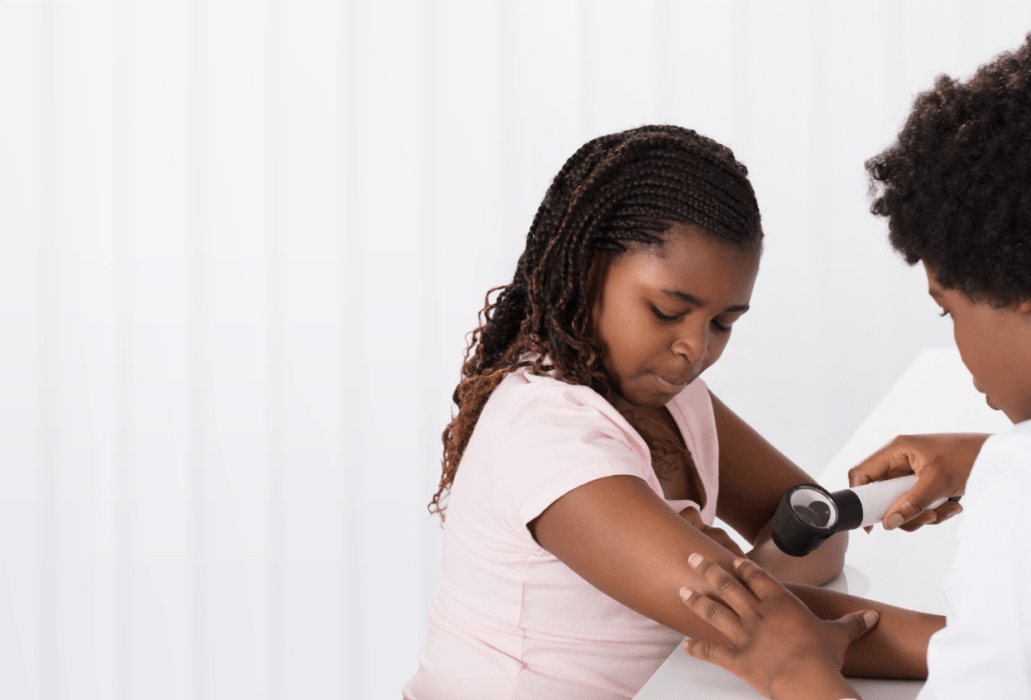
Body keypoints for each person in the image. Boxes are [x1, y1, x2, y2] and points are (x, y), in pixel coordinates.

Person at [677, 25, 1031, 700]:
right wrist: (989, 455)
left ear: (1011, 286)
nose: (959, 346)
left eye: (947, 309)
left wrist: (794, 669)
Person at [402, 125, 953, 700]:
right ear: (588, 270)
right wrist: (755, 596)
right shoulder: (547, 432)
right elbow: (760, 623)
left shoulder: (671, 394)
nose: (697, 348)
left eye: (723, 324)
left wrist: (753, 580)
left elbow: (815, 532)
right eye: (668, 310)